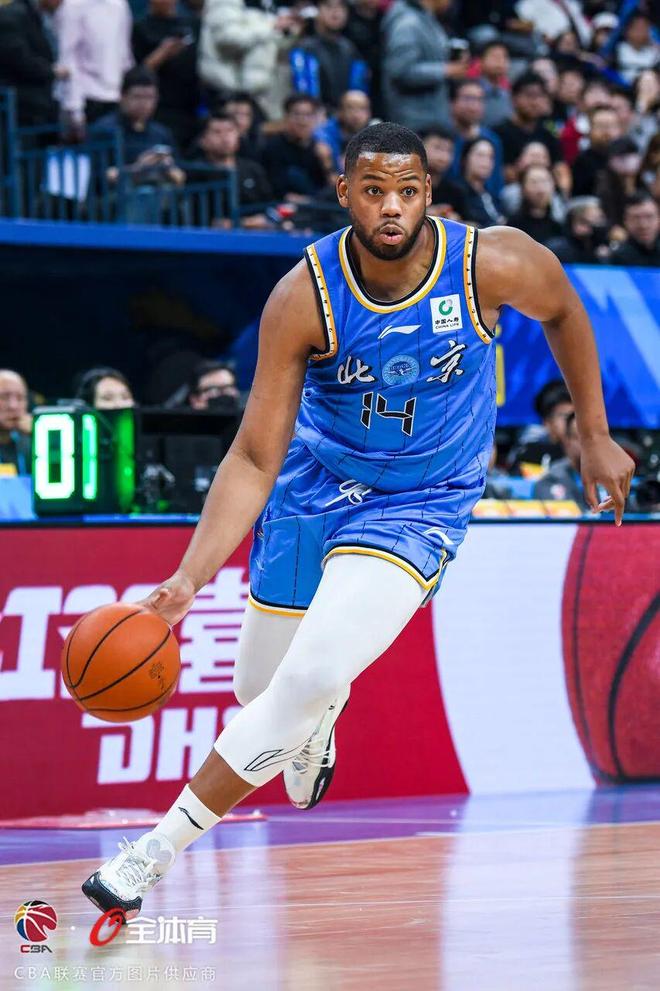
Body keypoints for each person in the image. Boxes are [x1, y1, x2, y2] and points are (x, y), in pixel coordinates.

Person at [81, 121, 633, 920]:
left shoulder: (490, 262)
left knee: (307, 677)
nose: (391, 207)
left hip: (421, 501)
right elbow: (254, 456)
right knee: (258, 687)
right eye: (374, 190)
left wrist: (595, 432)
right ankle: (316, 723)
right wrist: (187, 579)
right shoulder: (303, 295)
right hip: (316, 483)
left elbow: (566, 311)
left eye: (407, 191)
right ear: (344, 193)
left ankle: (152, 851)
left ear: (429, 193)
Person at [381, 0, 468, 132]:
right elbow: (401, 71)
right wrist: (445, 70)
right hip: (413, 120)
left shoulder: (426, 18)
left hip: (431, 117)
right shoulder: (408, 23)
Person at [90, 67, 185, 186]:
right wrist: (138, 168)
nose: (144, 103)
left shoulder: (161, 133)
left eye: (150, 97)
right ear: (123, 96)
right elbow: (99, 176)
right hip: (118, 195)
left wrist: (167, 167)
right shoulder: (104, 130)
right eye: (138, 97)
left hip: (159, 192)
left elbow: (181, 178)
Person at [132, 0, 201, 152]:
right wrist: (163, 52)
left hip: (191, 107)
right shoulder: (140, 28)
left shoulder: (193, 24)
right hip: (160, 108)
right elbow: (137, 74)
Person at [54, 0, 133, 130]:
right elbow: (68, 58)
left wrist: (128, 92)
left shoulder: (120, 5)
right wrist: (75, 107)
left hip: (116, 95)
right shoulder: (72, 6)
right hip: (86, 97)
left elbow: (125, 53)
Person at [185, 112, 272, 221]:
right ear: (203, 141)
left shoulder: (253, 169)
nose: (225, 137)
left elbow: (269, 208)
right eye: (217, 132)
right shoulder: (196, 171)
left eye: (230, 130)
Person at [0, 0, 69, 128]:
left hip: (38, 92)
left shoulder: (39, 16)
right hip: (21, 96)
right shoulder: (11, 16)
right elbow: (19, 60)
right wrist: (53, 71)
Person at [496, 72, 568, 191]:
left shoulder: (548, 133)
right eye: (529, 95)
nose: (535, 102)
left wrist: (563, 190)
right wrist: (523, 167)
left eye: (540, 96)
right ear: (513, 99)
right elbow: (499, 174)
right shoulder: (500, 133)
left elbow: (561, 168)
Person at [290, 0, 366, 111]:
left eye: (341, 6)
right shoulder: (304, 48)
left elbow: (358, 89)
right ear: (317, 11)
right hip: (313, 114)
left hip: (346, 115)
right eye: (329, 6)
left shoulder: (350, 49)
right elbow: (303, 92)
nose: (336, 12)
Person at [260, 95, 330, 199]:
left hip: (319, 203)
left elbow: (333, 187)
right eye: (297, 115)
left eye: (308, 115)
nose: (303, 121)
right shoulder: (273, 147)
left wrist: (327, 162)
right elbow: (273, 187)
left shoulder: (320, 146)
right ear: (286, 117)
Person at [446, 79, 504, 195]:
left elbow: (495, 184)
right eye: (467, 99)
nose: (473, 106)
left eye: (479, 100)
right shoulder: (441, 138)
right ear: (452, 102)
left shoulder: (492, 140)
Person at [507, 378, 573, 473]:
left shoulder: (584, 454)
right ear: (547, 422)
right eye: (565, 416)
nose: (572, 421)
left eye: (575, 415)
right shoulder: (529, 454)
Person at [534, 412, 589, 508]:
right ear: (567, 441)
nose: (586, 444)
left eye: (590, 438)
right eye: (578, 437)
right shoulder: (550, 480)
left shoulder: (612, 477)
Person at [315, 91, 372, 174]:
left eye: (362, 108)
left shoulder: (374, 133)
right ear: (340, 111)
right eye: (350, 108)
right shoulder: (324, 135)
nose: (356, 115)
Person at [571, 104, 622, 197]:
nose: (607, 132)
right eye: (601, 126)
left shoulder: (627, 155)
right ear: (590, 130)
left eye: (611, 126)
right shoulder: (582, 162)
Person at [506, 164, 562, 243]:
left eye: (545, 182)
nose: (541, 189)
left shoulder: (559, 226)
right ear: (522, 188)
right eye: (534, 182)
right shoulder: (513, 227)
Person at [545, 196, 610, 264]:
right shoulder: (557, 249)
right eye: (584, 222)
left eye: (597, 221)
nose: (592, 227)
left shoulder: (604, 250)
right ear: (571, 222)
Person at [422, 126, 468, 219]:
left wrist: (456, 221)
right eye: (438, 148)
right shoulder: (406, 184)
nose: (443, 156)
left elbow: (472, 224)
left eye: (449, 150)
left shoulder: (455, 191)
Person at [458, 137, 504, 226]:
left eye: (491, 157)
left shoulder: (491, 195)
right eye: (480, 155)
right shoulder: (455, 192)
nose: (486, 161)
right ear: (465, 159)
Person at [610, 193, 660, 268]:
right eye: (636, 218)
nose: (643, 225)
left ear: (658, 219)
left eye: (649, 217)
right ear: (626, 221)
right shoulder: (617, 258)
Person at [0, 370, 32, 475]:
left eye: (20, 398)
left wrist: (40, 435)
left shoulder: (33, 443)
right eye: (4, 397)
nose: (13, 406)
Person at [476, 39, 512, 129]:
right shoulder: (471, 90)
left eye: (504, 57)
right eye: (494, 56)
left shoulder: (510, 94)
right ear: (480, 61)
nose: (500, 61)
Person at [616, 13, 658, 86]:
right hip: (620, 88)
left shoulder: (655, 52)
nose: (641, 32)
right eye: (638, 28)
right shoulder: (618, 49)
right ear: (628, 30)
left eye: (645, 28)